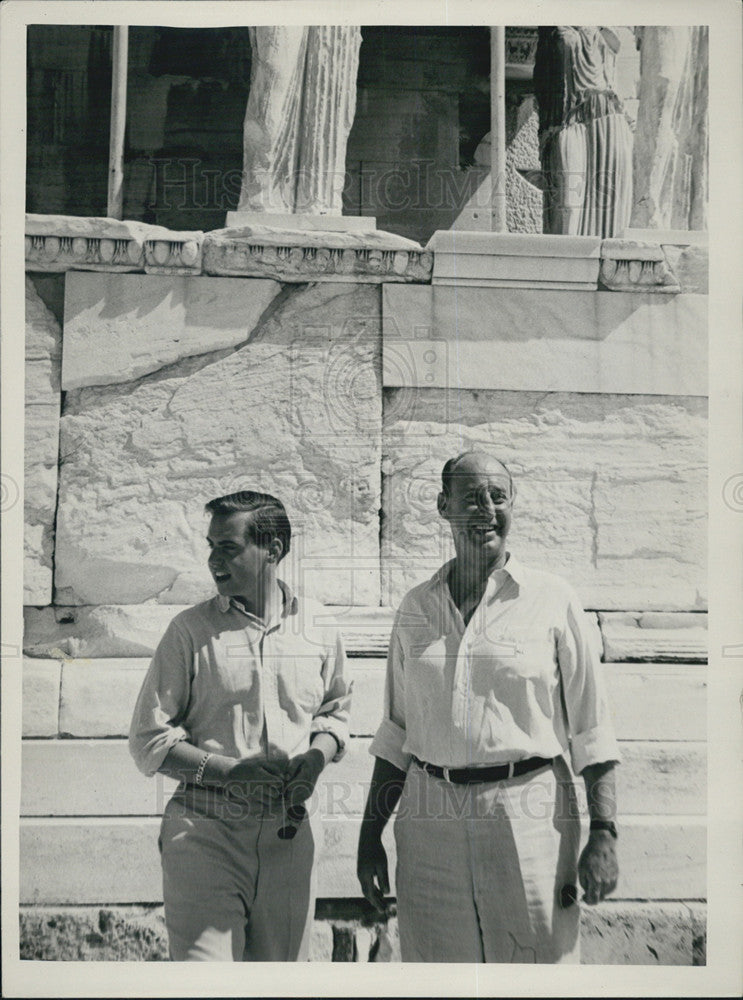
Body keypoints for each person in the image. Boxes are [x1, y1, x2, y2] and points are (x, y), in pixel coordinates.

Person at [357, 451, 620, 963]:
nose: (487, 509)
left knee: (538, 974)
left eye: (498, 497)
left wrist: (604, 832)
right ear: (443, 507)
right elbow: (395, 734)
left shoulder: (552, 598)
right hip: (429, 821)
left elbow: (593, 728)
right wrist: (370, 836)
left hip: (530, 816)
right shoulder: (416, 606)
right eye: (472, 497)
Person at [129, 490, 351, 961]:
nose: (213, 560)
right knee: (204, 984)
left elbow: (335, 713)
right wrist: (230, 774)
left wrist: (315, 760)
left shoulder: (320, 628)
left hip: (290, 838)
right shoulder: (189, 631)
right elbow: (149, 740)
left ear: (273, 549)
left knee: (281, 986)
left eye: (227, 548)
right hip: (205, 833)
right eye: (211, 547)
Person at [533, 26, 633, 238]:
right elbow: (543, 79)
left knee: (609, 209)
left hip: (609, 116)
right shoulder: (554, 28)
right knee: (569, 206)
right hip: (567, 120)